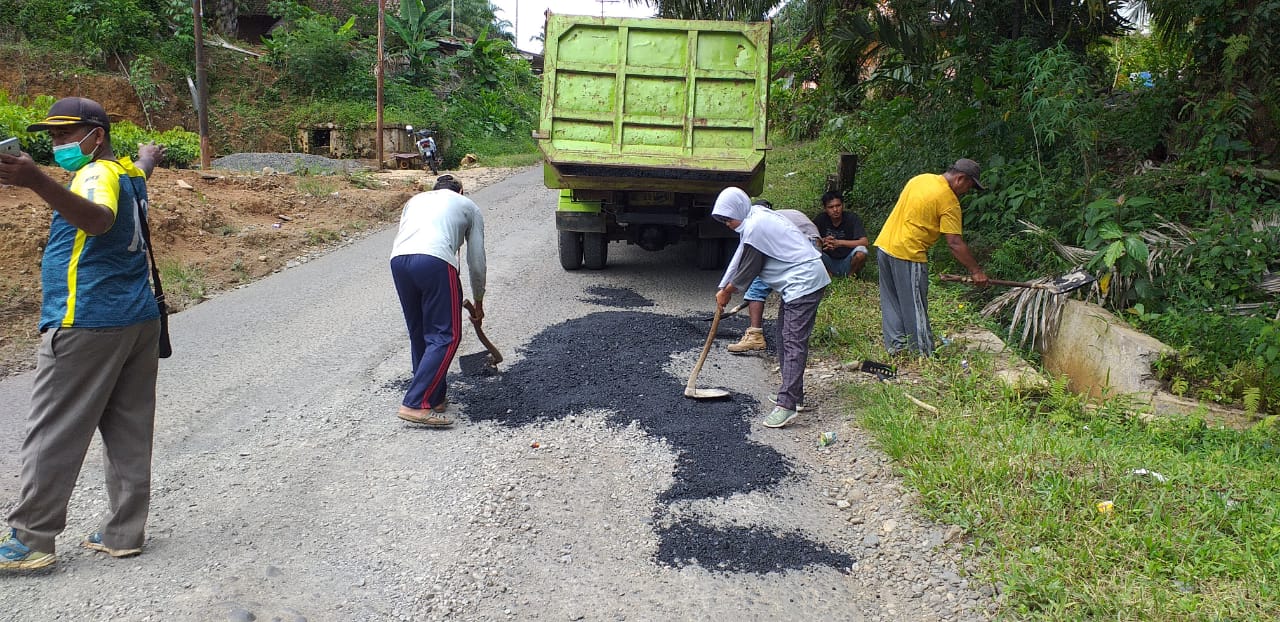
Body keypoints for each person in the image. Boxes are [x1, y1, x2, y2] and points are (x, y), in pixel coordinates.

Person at [0, 97, 166, 570]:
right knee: (129, 428)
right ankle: (123, 531)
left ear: (96, 135)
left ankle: (31, 539)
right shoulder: (125, 172)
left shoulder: (93, 176)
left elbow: (98, 219)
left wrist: (36, 180)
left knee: (54, 431)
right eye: (51, 137)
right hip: (138, 319)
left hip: (86, 320)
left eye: (66, 135)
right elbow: (140, 169)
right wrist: (150, 157)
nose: (57, 145)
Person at [713, 188, 830, 429]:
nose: (727, 224)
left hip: (804, 282)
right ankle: (793, 396)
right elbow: (739, 255)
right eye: (722, 220)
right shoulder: (754, 216)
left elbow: (747, 270)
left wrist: (728, 292)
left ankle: (786, 405)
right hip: (795, 285)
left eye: (728, 219)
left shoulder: (757, 227)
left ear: (738, 211)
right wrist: (722, 285)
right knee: (783, 336)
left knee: (793, 341)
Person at [390, 174, 486, 427]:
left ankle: (434, 397)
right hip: (435, 261)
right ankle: (415, 403)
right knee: (446, 335)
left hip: (398, 260)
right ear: (461, 191)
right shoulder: (468, 206)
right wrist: (478, 301)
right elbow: (476, 261)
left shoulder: (415, 201)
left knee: (420, 332)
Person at [874, 158, 990, 357]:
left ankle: (897, 348)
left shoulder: (922, 179)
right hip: (908, 253)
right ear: (960, 179)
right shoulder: (948, 200)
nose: (966, 192)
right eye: (969, 186)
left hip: (885, 246)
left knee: (891, 301)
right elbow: (954, 243)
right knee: (915, 306)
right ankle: (922, 354)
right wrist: (976, 271)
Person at [726, 199, 821, 355]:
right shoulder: (780, 216)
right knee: (793, 290)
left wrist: (729, 288)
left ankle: (755, 335)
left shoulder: (761, 223)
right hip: (813, 247)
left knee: (756, 289)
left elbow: (752, 262)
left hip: (800, 249)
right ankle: (793, 335)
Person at [812, 190, 869, 278]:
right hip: (828, 260)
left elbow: (864, 242)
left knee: (862, 251)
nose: (835, 210)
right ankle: (827, 274)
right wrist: (823, 241)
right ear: (825, 208)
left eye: (838, 205)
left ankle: (850, 277)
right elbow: (808, 240)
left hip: (848, 260)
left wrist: (839, 243)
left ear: (843, 205)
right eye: (831, 207)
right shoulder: (820, 219)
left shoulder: (852, 218)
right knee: (811, 249)